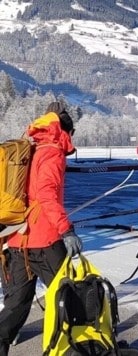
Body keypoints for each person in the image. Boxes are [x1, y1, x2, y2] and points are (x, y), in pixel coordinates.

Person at [0, 102, 82, 355]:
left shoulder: (31, 150)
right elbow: (46, 194)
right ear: (65, 131)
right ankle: (74, 344)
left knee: (17, 301)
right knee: (70, 292)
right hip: (44, 240)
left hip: (17, 240)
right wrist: (66, 230)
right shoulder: (52, 153)